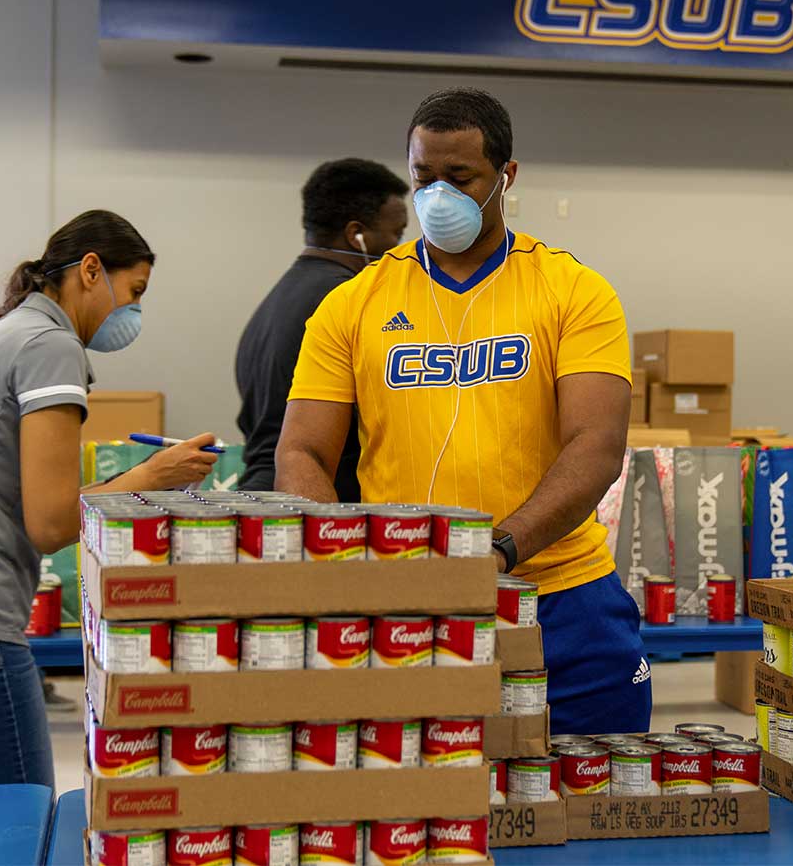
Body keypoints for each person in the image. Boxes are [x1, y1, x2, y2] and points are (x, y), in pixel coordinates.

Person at [277, 88, 650, 734]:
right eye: (423, 177)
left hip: (562, 599)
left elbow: (595, 448)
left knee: (590, 805)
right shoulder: (353, 303)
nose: (436, 196)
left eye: (460, 177)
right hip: (406, 606)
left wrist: (498, 551)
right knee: (417, 815)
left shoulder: (574, 292)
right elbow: (301, 451)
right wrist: (342, 564)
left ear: (507, 177)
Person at [0, 210, 219, 787]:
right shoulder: (50, 344)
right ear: (91, 270)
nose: (132, 313)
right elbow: (51, 523)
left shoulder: (1, 334)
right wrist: (154, 476)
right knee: (17, 828)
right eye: (134, 293)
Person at [235, 158, 410, 499]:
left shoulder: (277, 299)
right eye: (397, 233)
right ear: (355, 235)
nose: (401, 248)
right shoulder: (343, 303)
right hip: (314, 497)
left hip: (263, 492)